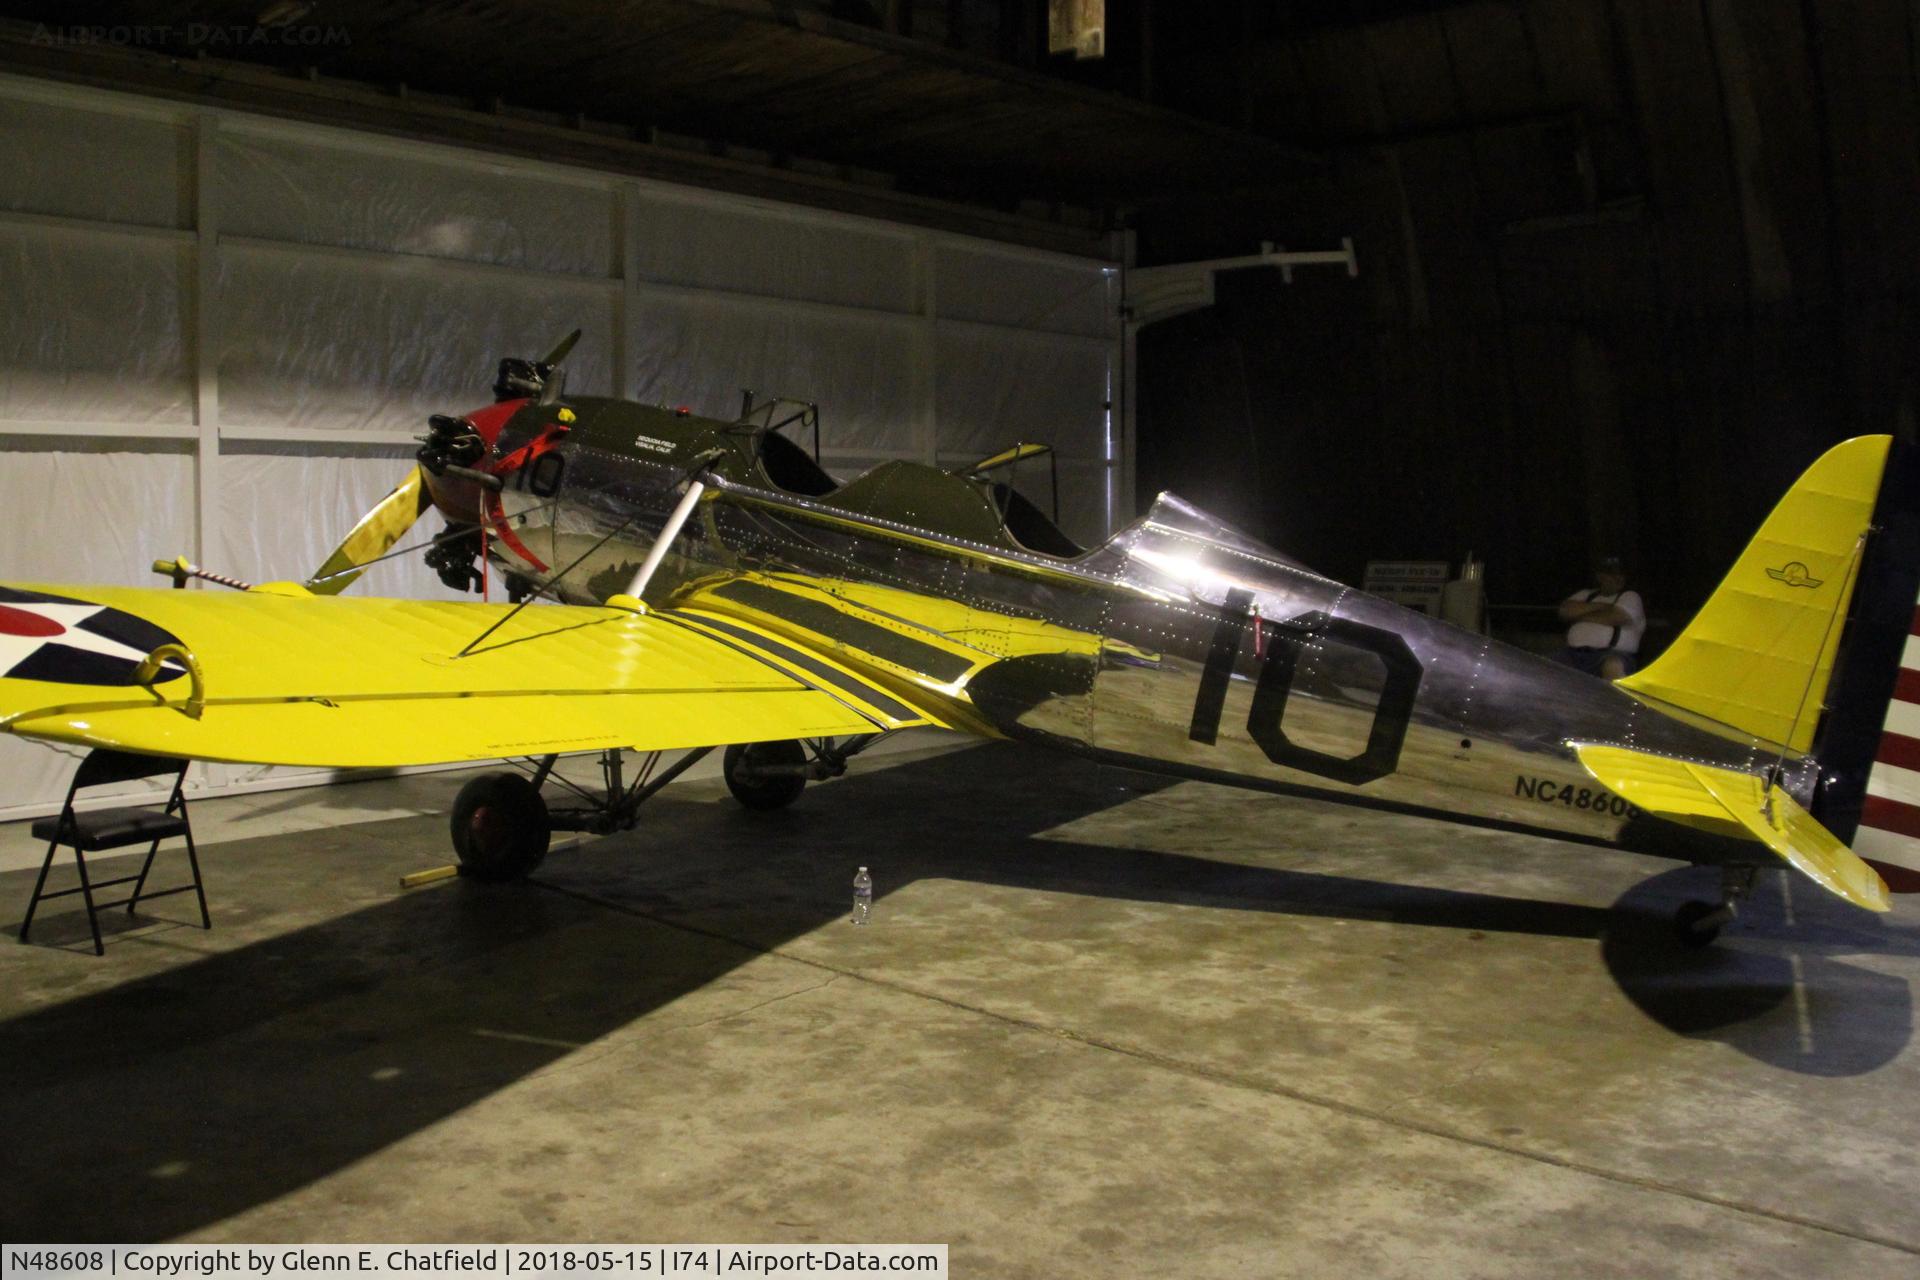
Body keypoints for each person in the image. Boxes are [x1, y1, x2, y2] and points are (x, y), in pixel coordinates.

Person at [1557, 555, 1644, 679]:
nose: (1617, 578)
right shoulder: (1585, 594)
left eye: (1620, 574)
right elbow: (1565, 611)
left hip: (1609, 655)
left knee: (1613, 666)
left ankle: (1616, 698)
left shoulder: (1630, 596)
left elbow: (1616, 617)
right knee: (1542, 667)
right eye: (1612, 574)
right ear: (1600, 576)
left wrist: (1580, 615)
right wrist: (1602, 606)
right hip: (1571, 654)